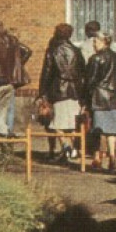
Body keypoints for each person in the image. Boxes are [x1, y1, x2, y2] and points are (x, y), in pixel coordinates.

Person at [37, 23, 86, 164]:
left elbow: (47, 72)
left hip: (59, 90)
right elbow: (83, 71)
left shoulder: (53, 50)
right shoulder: (76, 50)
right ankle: (69, 152)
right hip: (75, 90)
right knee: (70, 125)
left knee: (56, 124)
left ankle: (66, 147)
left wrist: (42, 91)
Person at [0, 21, 32, 137]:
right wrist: (15, 66)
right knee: (1, 113)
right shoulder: (12, 40)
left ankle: (6, 132)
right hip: (10, 82)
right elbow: (28, 51)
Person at [84, 34, 116, 170]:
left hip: (98, 97)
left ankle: (97, 158)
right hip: (113, 97)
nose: (94, 44)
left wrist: (85, 98)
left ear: (103, 42)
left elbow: (91, 80)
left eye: (95, 42)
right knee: (111, 131)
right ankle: (112, 156)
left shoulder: (95, 58)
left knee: (97, 130)